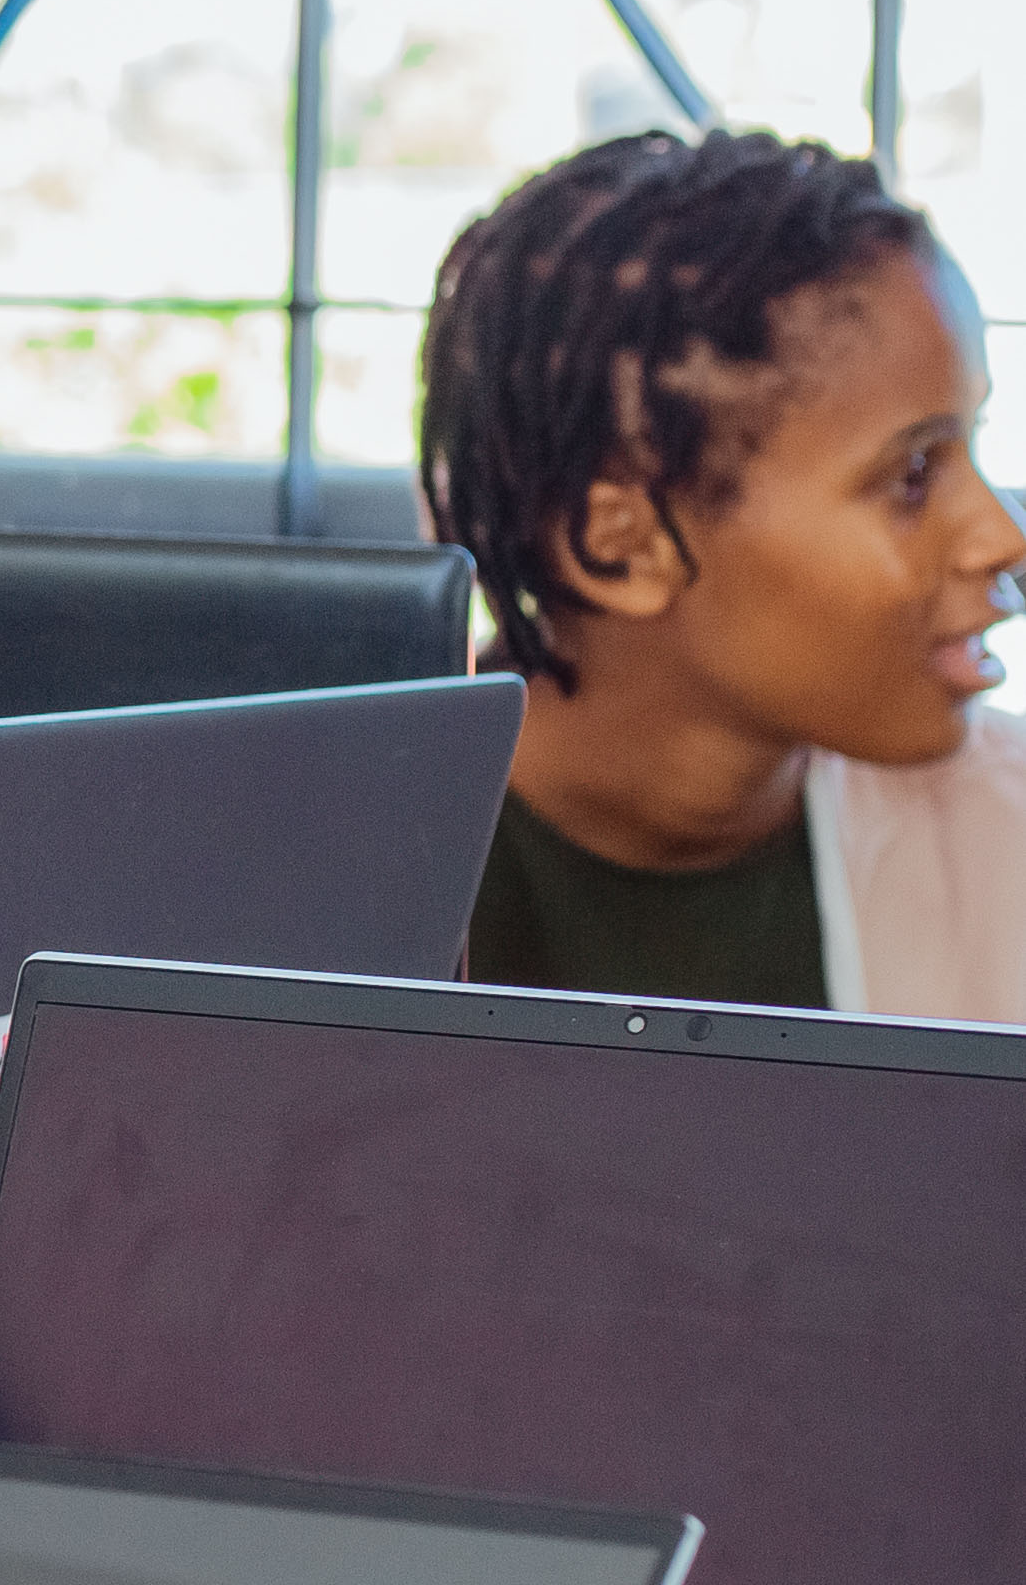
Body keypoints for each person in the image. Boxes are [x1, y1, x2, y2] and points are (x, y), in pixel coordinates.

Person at [420, 124, 1026, 1014]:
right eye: (909, 475)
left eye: (970, 446)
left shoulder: (1000, 830)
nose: (1002, 537)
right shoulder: (320, 852)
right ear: (622, 543)